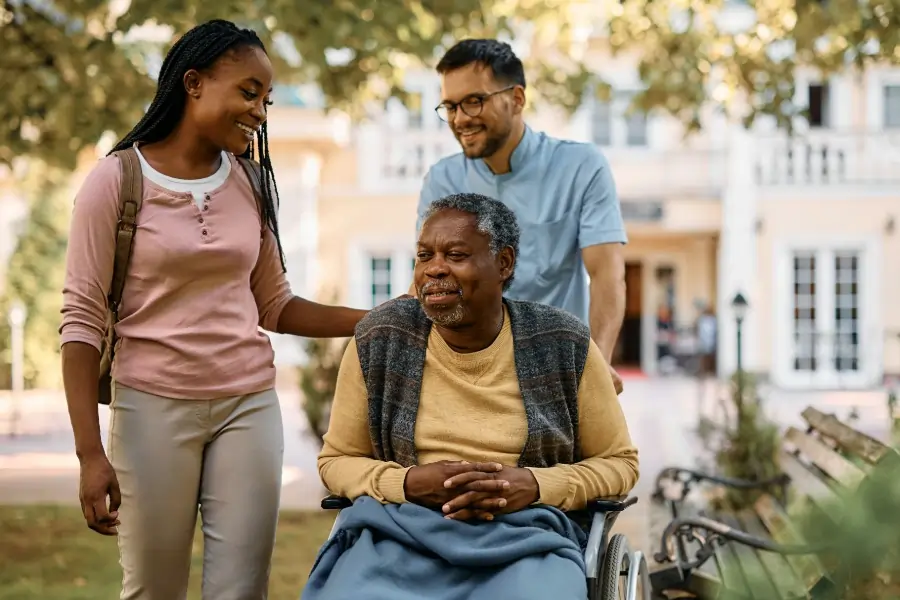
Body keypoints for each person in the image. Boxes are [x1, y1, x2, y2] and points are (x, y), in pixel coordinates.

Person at [59, 20, 367, 600]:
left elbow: (275, 305)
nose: (259, 111)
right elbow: (80, 321)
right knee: (155, 588)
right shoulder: (116, 181)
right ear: (194, 83)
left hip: (247, 407)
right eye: (248, 92)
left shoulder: (250, 182)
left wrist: (373, 318)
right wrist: (89, 454)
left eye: (266, 99)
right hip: (151, 408)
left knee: (240, 590)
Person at [304, 194, 638, 600]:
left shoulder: (563, 342)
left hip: (527, 539)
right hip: (399, 533)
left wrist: (534, 485)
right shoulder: (380, 339)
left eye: (456, 254)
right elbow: (337, 461)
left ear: (504, 263)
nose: (434, 269)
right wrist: (408, 482)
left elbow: (619, 463)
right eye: (424, 255)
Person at [415, 39, 629, 394]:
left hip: (557, 375)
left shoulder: (581, 167)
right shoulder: (442, 179)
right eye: (450, 106)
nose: (460, 119)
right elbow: (429, 281)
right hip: (466, 379)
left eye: (474, 101)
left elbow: (607, 274)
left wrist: (597, 364)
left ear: (516, 99)